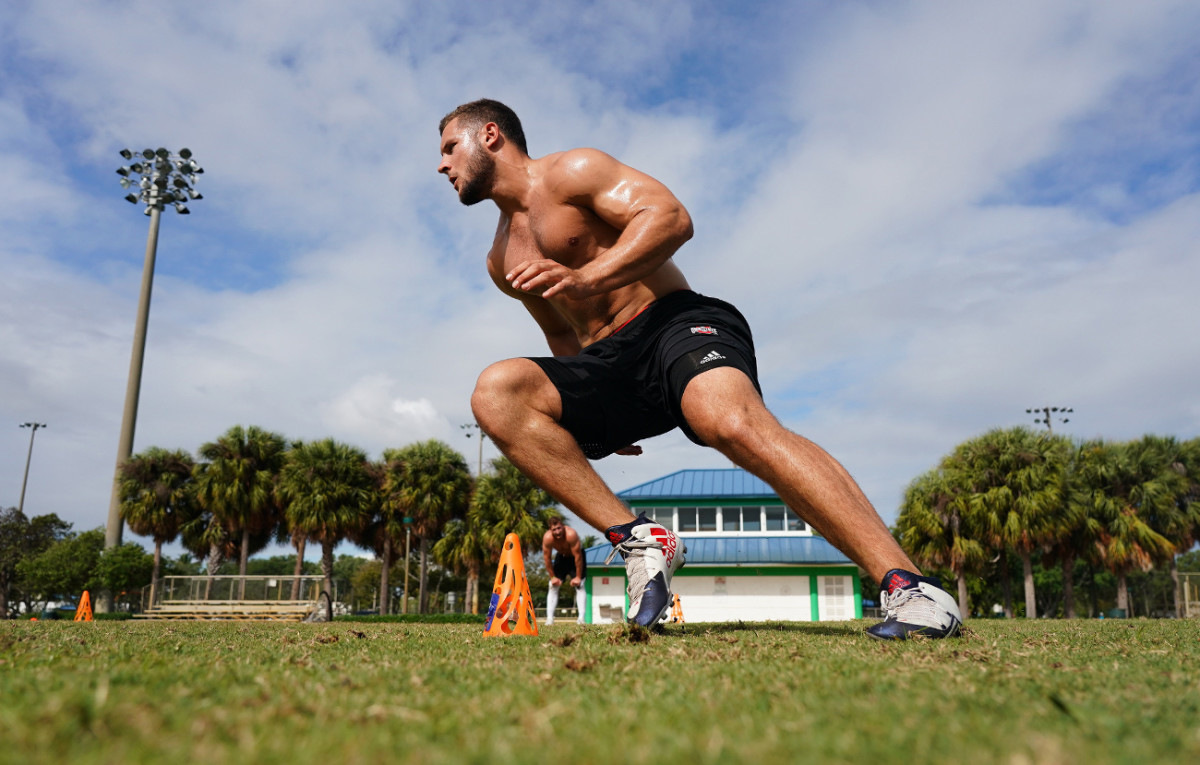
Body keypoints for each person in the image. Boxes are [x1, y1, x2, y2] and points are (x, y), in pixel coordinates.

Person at [437, 98, 962, 639]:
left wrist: (590, 277)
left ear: (491, 136)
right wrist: (587, 411)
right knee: (496, 392)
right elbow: (561, 332)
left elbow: (669, 218)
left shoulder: (573, 171)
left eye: (451, 147)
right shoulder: (501, 257)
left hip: (672, 323)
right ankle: (640, 540)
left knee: (730, 424)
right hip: (609, 366)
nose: (443, 165)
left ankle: (912, 588)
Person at [542, 515, 587, 625]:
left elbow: (578, 557)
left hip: (575, 559)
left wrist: (577, 576)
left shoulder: (571, 535)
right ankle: (549, 619)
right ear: (550, 530)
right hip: (561, 557)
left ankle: (581, 619)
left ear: (563, 526)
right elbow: (547, 559)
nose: (557, 532)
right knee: (552, 586)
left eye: (559, 528)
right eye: (554, 530)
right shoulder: (548, 538)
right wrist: (552, 577)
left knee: (580, 585)